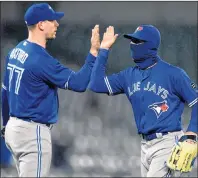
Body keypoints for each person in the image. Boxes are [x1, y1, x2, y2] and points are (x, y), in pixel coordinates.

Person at [1, 3, 100, 177]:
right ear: (40, 25)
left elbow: (4, 93)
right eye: (52, 20)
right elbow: (79, 83)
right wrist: (93, 52)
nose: (57, 24)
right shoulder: (40, 59)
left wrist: (6, 124)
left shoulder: (15, 51)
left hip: (14, 129)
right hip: (32, 133)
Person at [89, 25, 197, 177]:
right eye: (132, 40)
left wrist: (192, 133)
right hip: (145, 145)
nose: (132, 44)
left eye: (137, 41)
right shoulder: (128, 76)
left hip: (168, 143)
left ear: (150, 45)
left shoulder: (173, 74)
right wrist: (103, 50)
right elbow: (96, 84)